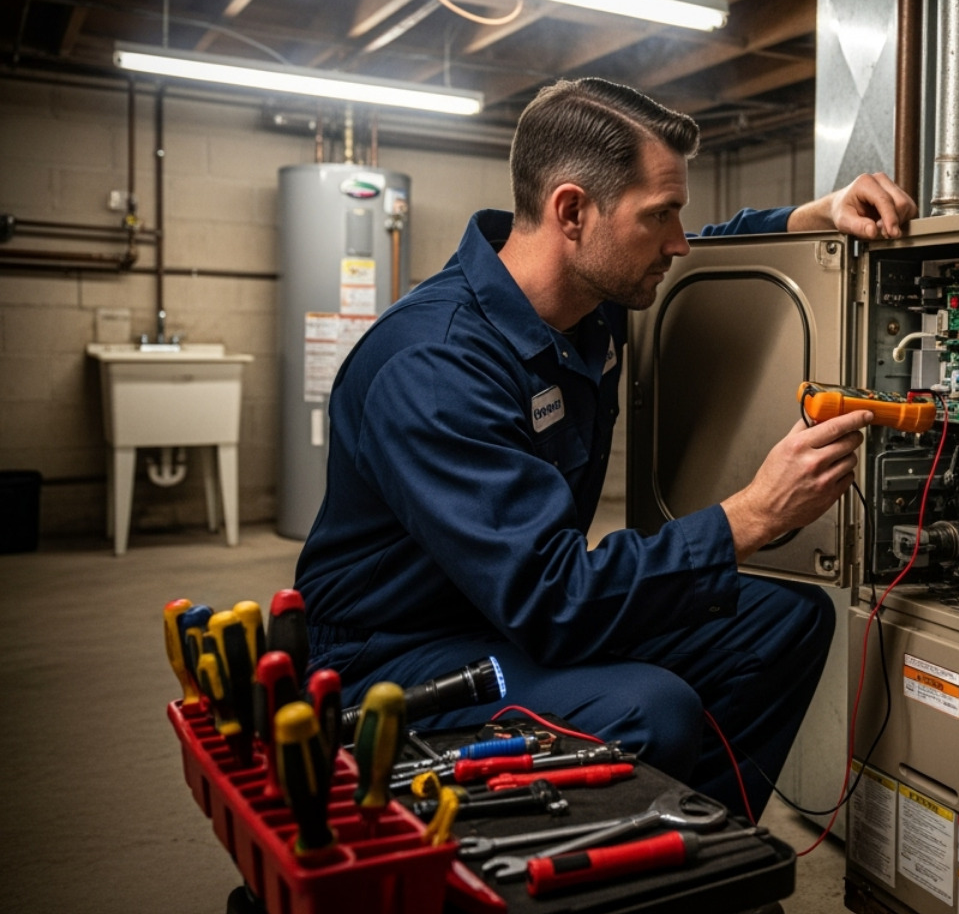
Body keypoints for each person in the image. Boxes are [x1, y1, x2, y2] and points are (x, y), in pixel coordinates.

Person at [294, 77, 917, 817]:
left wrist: (809, 215)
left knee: (784, 621)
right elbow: (552, 599)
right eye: (661, 216)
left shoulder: (590, 304)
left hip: (500, 613)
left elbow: (702, 256)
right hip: (395, 657)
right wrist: (750, 516)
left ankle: (691, 858)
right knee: (648, 710)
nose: (679, 241)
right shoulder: (433, 368)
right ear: (571, 211)